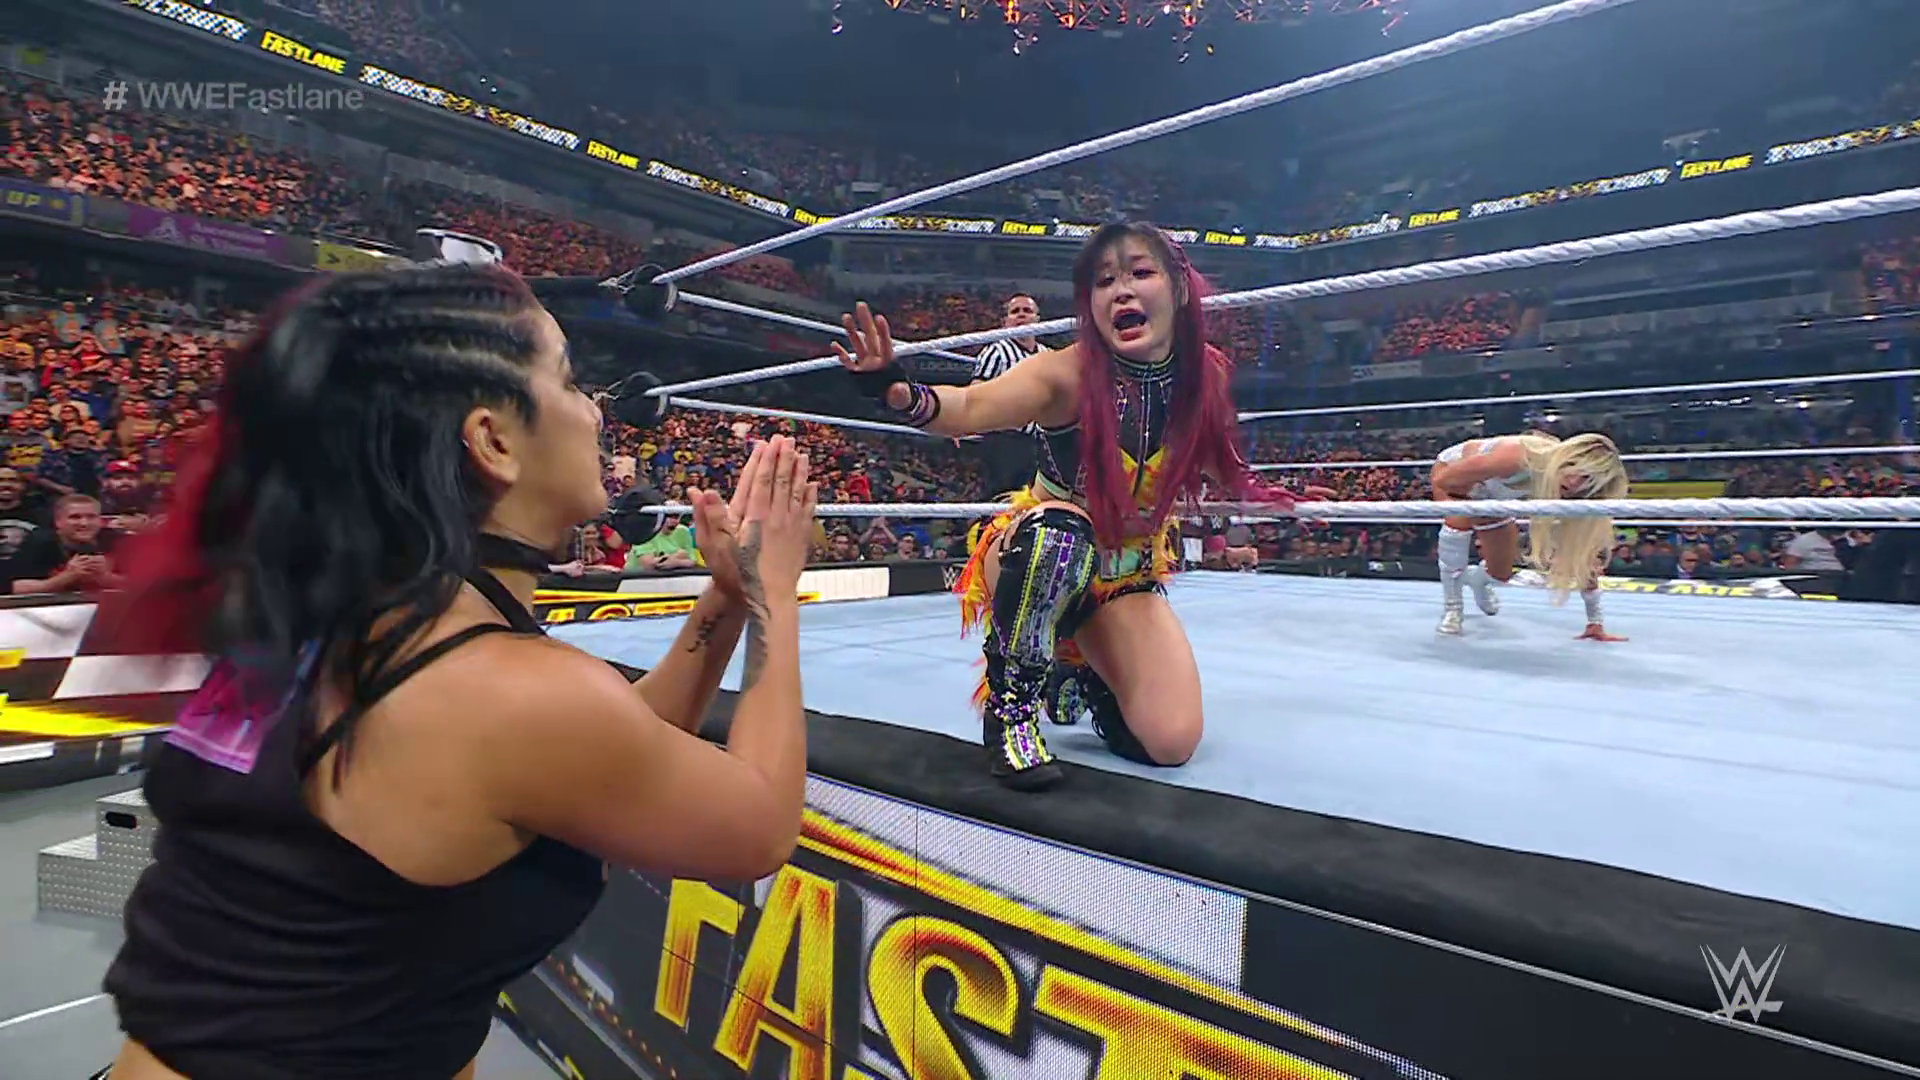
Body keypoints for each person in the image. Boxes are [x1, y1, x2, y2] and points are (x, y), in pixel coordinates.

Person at [91, 265, 818, 1080]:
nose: (595, 410)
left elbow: (606, 748)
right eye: (569, 381)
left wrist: (726, 597)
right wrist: (774, 594)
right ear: (494, 442)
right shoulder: (494, 690)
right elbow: (759, 825)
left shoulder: (350, 619)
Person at [834, 222, 1315, 791]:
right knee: (1059, 538)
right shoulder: (1067, 372)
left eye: (1140, 273)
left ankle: (1082, 670)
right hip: (1038, 552)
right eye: (1104, 281)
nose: (1122, 290)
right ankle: (1012, 711)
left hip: (1124, 575)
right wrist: (897, 392)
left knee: (1171, 742)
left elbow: (1211, 453)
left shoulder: (1202, 374)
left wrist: (1272, 493)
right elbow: (970, 407)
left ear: (1179, 288)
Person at [1430, 431, 1630, 639]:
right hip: (1455, 476)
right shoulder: (1517, 456)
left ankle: (1475, 580)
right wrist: (1473, 504)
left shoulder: (1572, 492)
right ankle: (1453, 609)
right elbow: (1444, 479)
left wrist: (1595, 621)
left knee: (1500, 573)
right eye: (1579, 470)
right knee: (1458, 524)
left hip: (1495, 499)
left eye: (1588, 480)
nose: (1575, 483)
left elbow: (1583, 551)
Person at [970, 293, 1046, 497]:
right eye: (1015, 311)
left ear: (1037, 319)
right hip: (1004, 438)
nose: (1021, 315)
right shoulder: (996, 352)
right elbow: (976, 391)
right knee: (1002, 498)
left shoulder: (1047, 355)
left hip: (1040, 441)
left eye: (1027, 311)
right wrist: (964, 422)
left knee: (1035, 499)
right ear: (1005, 322)